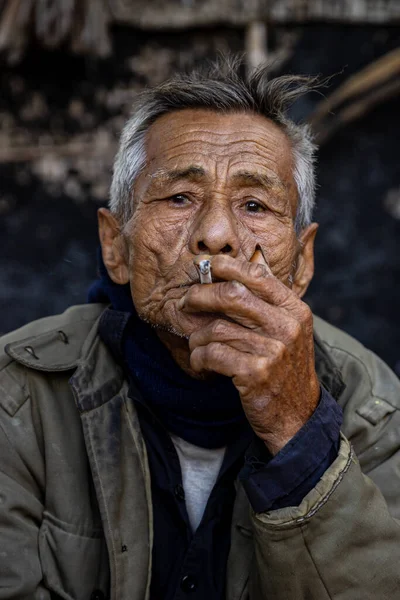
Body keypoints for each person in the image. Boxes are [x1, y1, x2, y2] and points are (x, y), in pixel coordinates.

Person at [1, 58, 399, 600]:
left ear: (303, 262)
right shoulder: (15, 398)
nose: (216, 235)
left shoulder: (373, 410)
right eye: (180, 198)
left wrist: (297, 430)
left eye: (254, 205)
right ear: (114, 245)